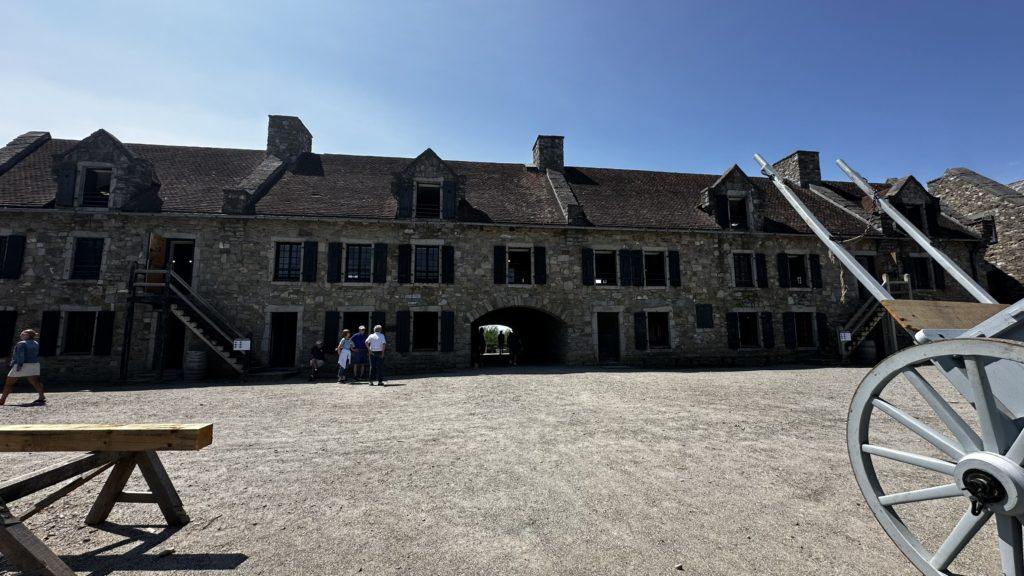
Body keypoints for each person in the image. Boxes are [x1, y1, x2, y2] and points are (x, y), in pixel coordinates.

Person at [1, 329, 46, 406]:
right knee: (35, 381)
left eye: (23, 333)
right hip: (34, 364)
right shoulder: (36, 343)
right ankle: (41, 396)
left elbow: (21, 355)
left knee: (9, 383)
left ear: (28, 335)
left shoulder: (21, 343)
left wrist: (19, 365)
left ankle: (2, 400)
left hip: (22, 365)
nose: (21, 334)